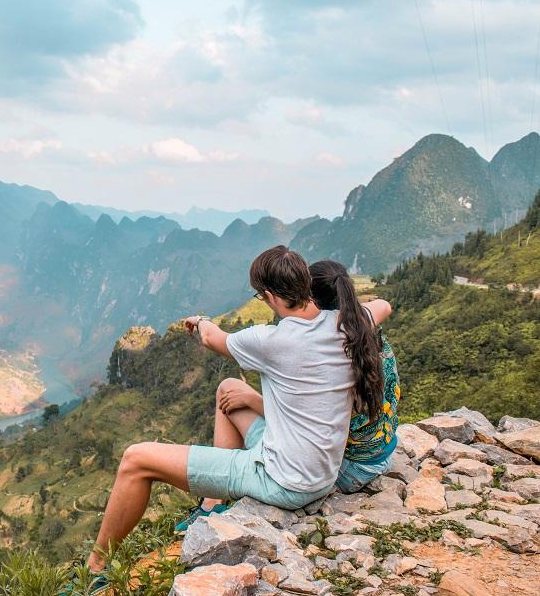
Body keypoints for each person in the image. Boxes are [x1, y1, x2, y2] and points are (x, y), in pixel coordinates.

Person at [84, 245, 379, 575]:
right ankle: (213, 506)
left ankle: (93, 570)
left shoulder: (271, 340)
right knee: (228, 389)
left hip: (282, 479)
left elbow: (211, 338)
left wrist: (200, 320)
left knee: (135, 459)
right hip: (320, 473)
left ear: (269, 296)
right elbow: (383, 305)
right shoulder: (349, 324)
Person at [309, 260, 400, 493]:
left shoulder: (328, 349)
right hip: (383, 452)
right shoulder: (364, 329)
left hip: (352, 470)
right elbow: (385, 305)